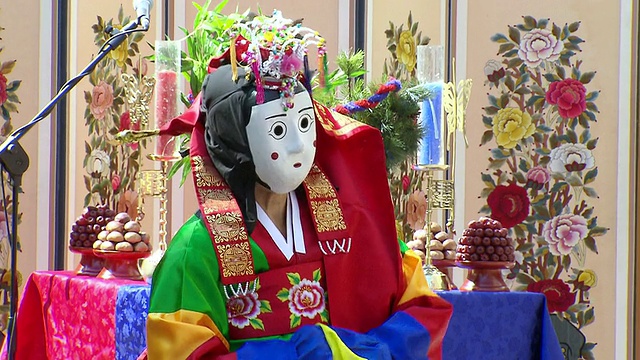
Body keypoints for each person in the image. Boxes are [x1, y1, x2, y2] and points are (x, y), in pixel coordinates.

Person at [145, 11, 452, 360]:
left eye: (304, 123)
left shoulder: (355, 223)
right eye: (278, 129)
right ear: (234, 139)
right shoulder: (196, 250)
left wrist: (372, 349)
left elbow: (424, 310)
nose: (297, 145)